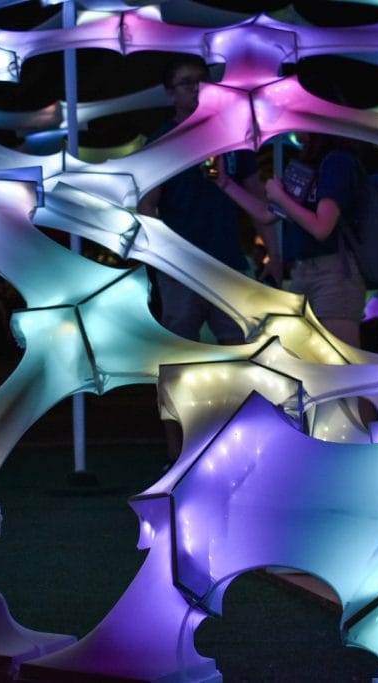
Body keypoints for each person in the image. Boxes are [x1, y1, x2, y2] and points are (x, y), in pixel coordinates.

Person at [137, 54, 278, 466]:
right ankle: (176, 452)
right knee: (176, 359)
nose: (197, 87)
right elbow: (147, 205)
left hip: (229, 263)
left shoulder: (231, 137)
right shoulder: (163, 141)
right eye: (186, 82)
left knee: (240, 355)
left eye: (201, 80)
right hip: (181, 268)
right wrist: (162, 258)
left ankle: (236, 446)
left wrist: (275, 251)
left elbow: (257, 198)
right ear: (169, 93)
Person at [264, 132, 367, 347]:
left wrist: (280, 196)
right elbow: (266, 215)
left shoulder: (338, 162)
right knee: (307, 358)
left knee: (338, 360)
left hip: (334, 273)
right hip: (303, 271)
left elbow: (322, 227)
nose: (293, 126)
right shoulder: (310, 165)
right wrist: (225, 183)